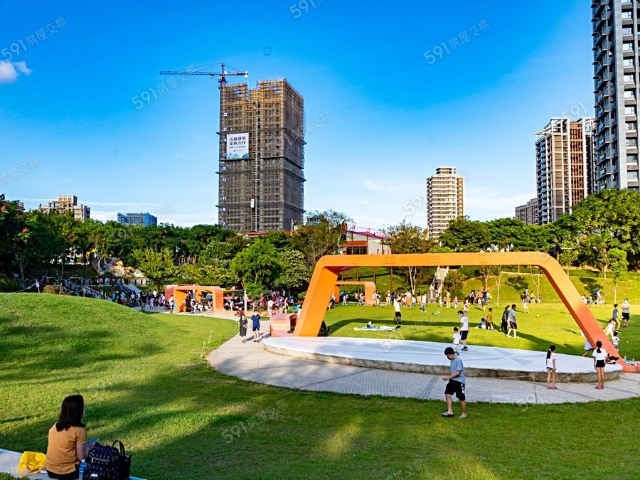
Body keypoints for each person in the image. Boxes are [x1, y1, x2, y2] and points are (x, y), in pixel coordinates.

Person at [45, 395, 92, 479]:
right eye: (83, 407)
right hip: (68, 472)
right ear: (78, 411)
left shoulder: (56, 425)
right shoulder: (79, 430)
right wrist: (89, 449)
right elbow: (81, 458)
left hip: (50, 469)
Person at [442, 347, 467, 419]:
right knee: (447, 394)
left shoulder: (458, 360)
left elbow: (458, 372)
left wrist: (449, 377)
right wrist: (450, 378)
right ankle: (450, 411)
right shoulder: (452, 361)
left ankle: (464, 414)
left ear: (450, 354)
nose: (448, 357)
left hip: (459, 381)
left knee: (461, 398)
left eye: (448, 355)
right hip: (452, 381)